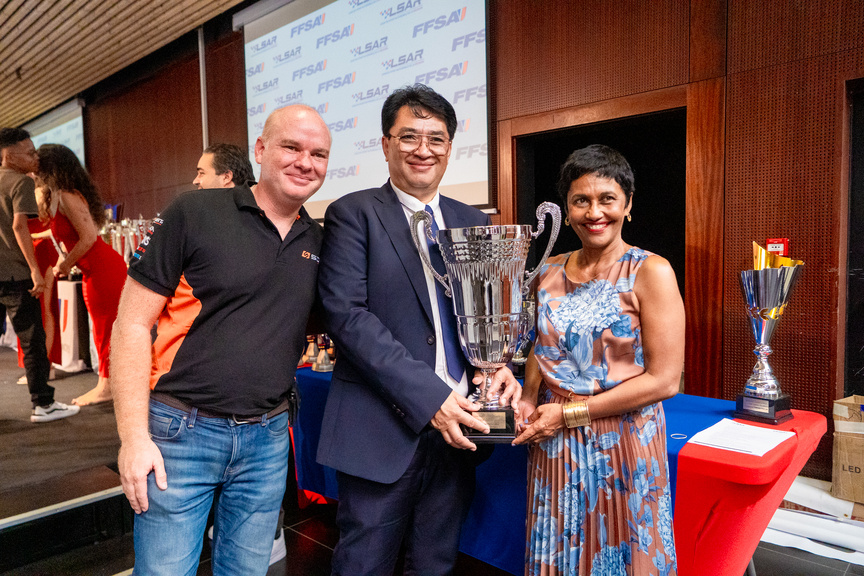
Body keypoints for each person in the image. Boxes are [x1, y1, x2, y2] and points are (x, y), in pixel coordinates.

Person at [111, 104, 330, 576]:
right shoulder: (194, 211)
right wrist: (132, 437)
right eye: (292, 147)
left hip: (268, 439)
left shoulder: (318, 239)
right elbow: (129, 325)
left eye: (318, 153)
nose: (305, 162)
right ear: (261, 149)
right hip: (179, 434)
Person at [316, 83, 522, 575]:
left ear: (450, 147)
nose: (422, 150)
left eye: (436, 138)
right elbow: (346, 316)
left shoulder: (472, 221)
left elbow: (489, 315)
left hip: (460, 430)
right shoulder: (353, 213)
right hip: (380, 429)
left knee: (434, 564)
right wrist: (431, 397)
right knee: (362, 565)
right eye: (409, 137)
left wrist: (502, 365)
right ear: (386, 144)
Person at [513, 144, 683, 575]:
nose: (594, 212)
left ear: (627, 204)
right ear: (566, 211)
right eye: (581, 201)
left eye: (607, 199)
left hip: (624, 438)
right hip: (555, 440)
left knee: (623, 556)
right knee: (561, 553)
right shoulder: (548, 270)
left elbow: (665, 381)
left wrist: (568, 414)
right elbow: (542, 344)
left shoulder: (650, 270)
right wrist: (529, 395)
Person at [36, 144, 127, 406]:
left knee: (106, 329)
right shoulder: (57, 195)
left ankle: (106, 387)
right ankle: (108, 385)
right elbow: (66, 233)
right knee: (103, 329)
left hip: (103, 269)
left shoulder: (67, 196)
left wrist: (64, 264)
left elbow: (88, 237)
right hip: (93, 270)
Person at [0, 127, 78, 422]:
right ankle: (43, 405)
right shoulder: (19, 182)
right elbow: (21, 228)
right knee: (32, 339)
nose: (35, 158)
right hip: (16, 275)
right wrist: (35, 270)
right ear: (9, 155)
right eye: (30, 152)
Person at [16, 187, 61, 385]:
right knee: (36, 312)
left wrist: (31, 237)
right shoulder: (23, 189)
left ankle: (45, 366)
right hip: (31, 256)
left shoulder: (42, 190)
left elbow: (52, 227)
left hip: (43, 254)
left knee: (45, 311)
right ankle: (41, 366)